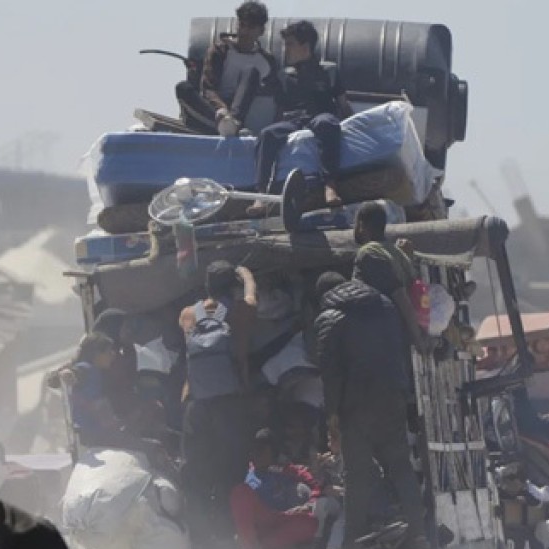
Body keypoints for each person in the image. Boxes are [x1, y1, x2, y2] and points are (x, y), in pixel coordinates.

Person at [314, 271, 428, 549]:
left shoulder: (330, 318)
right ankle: (418, 533)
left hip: (357, 407)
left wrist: (332, 416)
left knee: (357, 475)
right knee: (400, 466)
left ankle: (352, 541)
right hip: (392, 398)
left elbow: (331, 374)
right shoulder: (386, 307)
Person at [178, 261, 260, 549]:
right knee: (232, 473)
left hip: (197, 406)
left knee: (197, 473)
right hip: (229, 405)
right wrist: (246, 274)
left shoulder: (187, 315)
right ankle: (232, 537)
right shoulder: (240, 311)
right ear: (232, 286)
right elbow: (252, 295)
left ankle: (200, 542)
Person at [247, 20, 354, 216]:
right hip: (293, 120)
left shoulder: (329, 71)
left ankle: (330, 186)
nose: (285, 50)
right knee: (267, 134)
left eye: (289, 45)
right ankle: (260, 196)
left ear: (305, 47)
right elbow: (279, 110)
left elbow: (343, 104)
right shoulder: (284, 75)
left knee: (326, 123)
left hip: (320, 115)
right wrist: (274, 128)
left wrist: (353, 125)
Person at [177, 1, 278, 136]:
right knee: (183, 88)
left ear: (261, 31)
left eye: (251, 27)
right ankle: (226, 127)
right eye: (242, 25)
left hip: (246, 116)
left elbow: (276, 97)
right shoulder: (221, 51)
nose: (244, 31)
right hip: (217, 112)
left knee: (251, 72)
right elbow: (208, 88)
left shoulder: (266, 61)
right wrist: (222, 109)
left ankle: (233, 124)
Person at [229, 428, 322, 549]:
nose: (257, 454)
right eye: (254, 450)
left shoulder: (287, 470)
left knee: (311, 523)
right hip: (257, 520)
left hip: (281, 519)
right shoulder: (247, 470)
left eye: (262, 450)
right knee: (240, 492)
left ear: (273, 452)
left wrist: (309, 505)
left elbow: (315, 485)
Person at [351, 202, 427, 352]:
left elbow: (401, 296)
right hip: (394, 336)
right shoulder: (395, 252)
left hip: (385, 337)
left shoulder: (369, 254)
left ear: (361, 224)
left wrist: (418, 340)